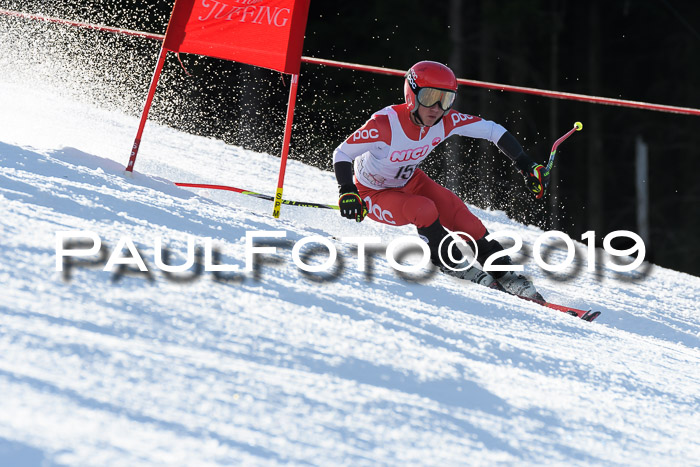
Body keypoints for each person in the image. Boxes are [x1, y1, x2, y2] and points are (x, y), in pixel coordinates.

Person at [332, 60, 551, 299]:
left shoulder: (446, 122)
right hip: (372, 193)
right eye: (429, 97)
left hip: (411, 181)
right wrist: (347, 190)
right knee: (424, 209)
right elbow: (342, 153)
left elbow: (492, 130)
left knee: (466, 221)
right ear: (411, 95)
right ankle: (451, 263)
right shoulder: (384, 124)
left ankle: (505, 274)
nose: (436, 107)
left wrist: (525, 164)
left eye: (445, 99)